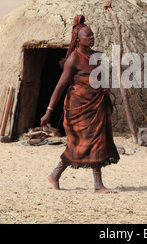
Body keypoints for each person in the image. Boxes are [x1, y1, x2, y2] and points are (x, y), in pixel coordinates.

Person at [41, 14, 120, 194]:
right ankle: (56, 174)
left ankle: (94, 184)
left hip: (97, 106)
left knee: (97, 142)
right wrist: (49, 111)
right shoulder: (73, 59)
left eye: (92, 34)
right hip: (79, 108)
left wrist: (105, 86)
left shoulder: (97, 56)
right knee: (79, 144)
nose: (92, 37)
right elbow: (60, 86)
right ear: (78, 38)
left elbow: (100, 78)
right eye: (88, 35)